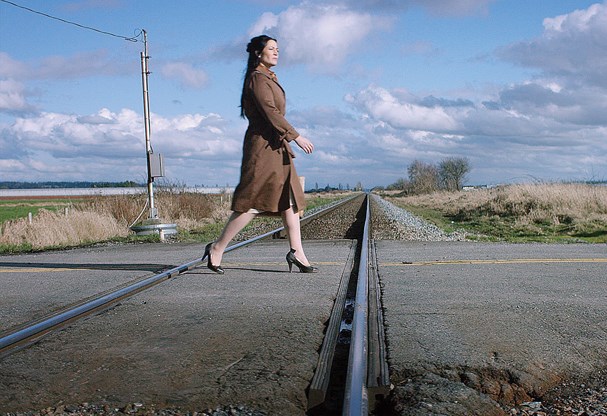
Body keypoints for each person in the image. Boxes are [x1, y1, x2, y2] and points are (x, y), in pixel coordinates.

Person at [202, 35, 317, 274]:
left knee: (290, 200)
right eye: (271, 49)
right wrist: (296, 136)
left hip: (276, 147)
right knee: (251, 202)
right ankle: (217, 248)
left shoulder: (267, 78)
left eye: (278, 49)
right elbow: (270, 111)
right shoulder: (257, 78)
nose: (277, 52)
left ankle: (297, 252)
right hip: (263, 149)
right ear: (258, 53)